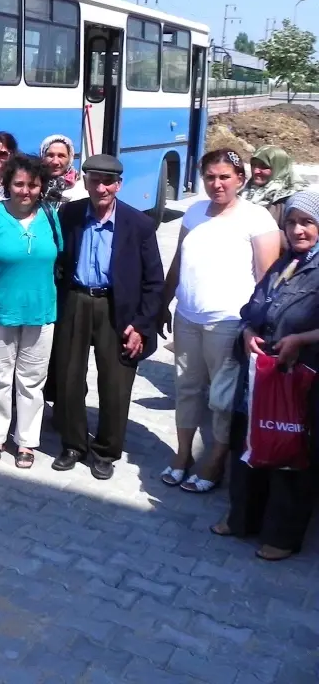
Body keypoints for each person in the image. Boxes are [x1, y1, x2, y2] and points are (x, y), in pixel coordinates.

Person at [160, 149, 280, 493]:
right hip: (187, 318)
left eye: (225, 176)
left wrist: (256, 326)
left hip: (228, 323)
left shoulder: (257, 219)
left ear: (240, 179)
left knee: (222, 398)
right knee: (186, 389)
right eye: (210, 176)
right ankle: (183, 455)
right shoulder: (195, 212)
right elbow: (180, 260)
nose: (217, 183)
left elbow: (267, 280)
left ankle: (215, 459)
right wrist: (163, 302)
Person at [212, 190, 319, 560]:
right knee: (250, 444)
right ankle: (242, 519)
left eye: (306, 222)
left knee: (289, 451)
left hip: (299, 377)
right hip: (260, 373)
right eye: (291, 222)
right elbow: (253, 307)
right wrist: (246, 332)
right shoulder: (283, 263)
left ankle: (282, 536)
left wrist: (300, 339)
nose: (298, 230)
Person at [49, 155, 164, 480]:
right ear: (84, 181)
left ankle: (106, 451)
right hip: (76, 301)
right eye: (95, 180)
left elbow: (154, 281)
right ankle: (73, 444)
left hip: (118, 308)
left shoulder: (138, 224)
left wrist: (142, 325)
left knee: (115, 383)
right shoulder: (70, 214)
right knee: (69, 377)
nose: (101, 187)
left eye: (108, 181)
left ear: (119, 185)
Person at [0, 153, 61, 468]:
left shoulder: (50, 215)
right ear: (7, 185)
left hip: (40, 312)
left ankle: (27, 442)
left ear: (41, 186)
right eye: (19, 184)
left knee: (32, 381)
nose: (25, 191)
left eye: (32, 185)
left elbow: (55, 260)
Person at [242, 145, 306, 228]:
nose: (255, 171)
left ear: (279, 168)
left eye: (264, 167)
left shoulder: (291, 201)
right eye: (253, 165)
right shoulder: (243, 193)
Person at [40, 134, 87, 206]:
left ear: (70, 159)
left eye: (61, 156)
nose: (55, 162)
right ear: (43, 157)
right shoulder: (34, 187)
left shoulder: (82, 190)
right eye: (50, 155)